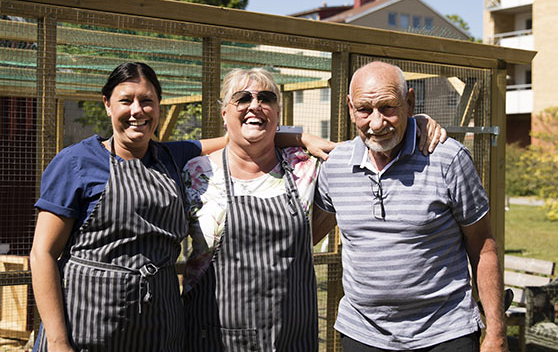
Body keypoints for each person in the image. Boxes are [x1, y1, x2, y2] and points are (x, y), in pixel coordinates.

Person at [29, 62, 332, 352]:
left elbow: (237, 138)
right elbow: (42, 253)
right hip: (89, 328)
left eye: (147, 101)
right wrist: (57, 342)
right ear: (108, 104)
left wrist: (300, 136)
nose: (137, 111)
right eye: (126, 101)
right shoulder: (76, 162)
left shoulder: (173, 157)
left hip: (159, 331)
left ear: (158, 106)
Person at [181, 67, 446, 351]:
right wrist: (299, 135)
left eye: (266, 98)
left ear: (278, 113)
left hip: (291, 337)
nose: (255, 105)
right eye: (242, 98)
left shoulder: (305, 166)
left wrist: (414, 121)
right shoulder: (195, 172)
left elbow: (373, 143)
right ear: (224, 113)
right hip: (212, 336)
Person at [313, 61, 507, 352]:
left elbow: (483, 246)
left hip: (445, 332)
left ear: (410, 102)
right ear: (350, 108)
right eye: (364, 109)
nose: (376, 123)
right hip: (363, 332)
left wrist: (496, 332)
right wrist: (293, 136)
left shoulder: (447, 160)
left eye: (388, 107)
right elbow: (306, 235)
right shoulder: (336, 165)